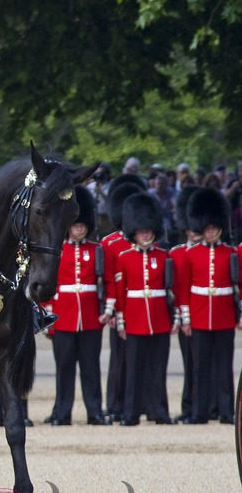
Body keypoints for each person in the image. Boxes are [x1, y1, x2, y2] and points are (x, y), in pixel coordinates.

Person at [43, 186, 108, 425]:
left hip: (90, 317)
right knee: (64, 370)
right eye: (75, 225)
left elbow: (107, 283)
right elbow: (49, 285)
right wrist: (49, 317)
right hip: (64, 317)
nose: (79, 229)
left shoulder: (96, 250)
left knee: (91, 369)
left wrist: (106, 311)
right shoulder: (58, 250)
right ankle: (62, 412)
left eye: (82, 226)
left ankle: (95, 411)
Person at [176, 187, 239, 424]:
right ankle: (199, 412)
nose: (211, 232)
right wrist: (186, 318)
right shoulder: (192, 255)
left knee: (224, 368)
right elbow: (184, 289)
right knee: (200, 368)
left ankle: (226, 411)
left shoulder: (230, 253)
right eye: (208, 228)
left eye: (214, 228)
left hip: (223, 316)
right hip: (200, 317)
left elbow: (237, 287)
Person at [113, 193, 175, 426]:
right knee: (134, 370)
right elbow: (120, 293)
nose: (145, 234)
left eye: (148, 231)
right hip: (135, 318)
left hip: (159, 319)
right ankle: (131, 414)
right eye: (141, 231)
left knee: (158, 369)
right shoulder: (124, 258)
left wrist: (175, 317)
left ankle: (159, 411)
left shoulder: (163, 256)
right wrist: (121, 321)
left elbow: (171, 290)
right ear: (134, 233)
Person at [99, 173, 147, 422]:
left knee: (144, 362)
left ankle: (143, 403)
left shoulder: (148, 241)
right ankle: (116, 403)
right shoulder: (110, 243)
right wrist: (112, 310)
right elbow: (107, 279)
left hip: (142, 310)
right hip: (119, 310)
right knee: (119, 360)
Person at [168, 185, 201, 421]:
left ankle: (209, 406)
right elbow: (176, 289)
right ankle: (190, 406)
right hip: (186, 314)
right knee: (190, 364)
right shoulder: (177, 253)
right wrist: (180, 317)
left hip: (208, 315)